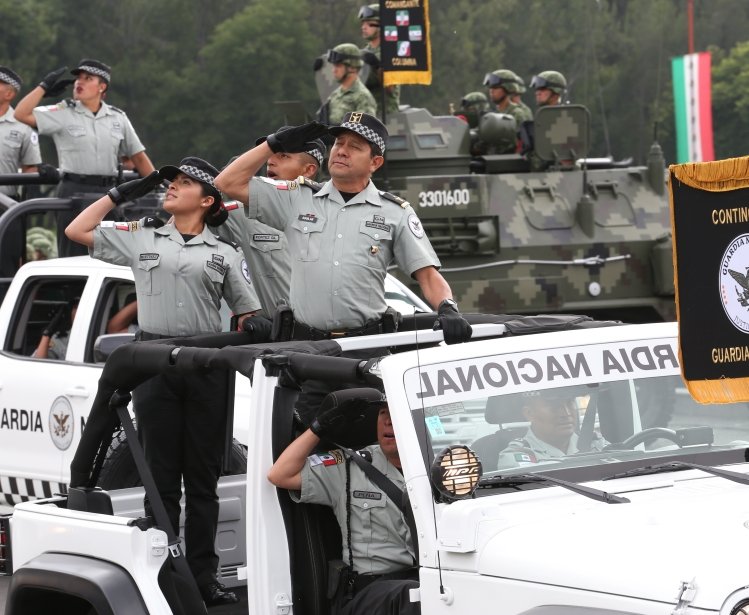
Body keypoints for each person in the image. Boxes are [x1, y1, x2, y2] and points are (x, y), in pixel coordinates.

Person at [65, 157, 262, 607]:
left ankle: (203, 576)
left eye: (184, 183)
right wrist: (125, 192)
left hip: (207, 365)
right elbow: (78, 230)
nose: (171, 187)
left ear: (207, 200)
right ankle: (166, 575)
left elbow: (247, 310)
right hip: (153, 362)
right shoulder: (142, 237)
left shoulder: (225, 253)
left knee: (203, 478)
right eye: (170, 181)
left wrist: (255, 325)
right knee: (160, 480)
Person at [216, 115, 472, 424]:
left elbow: (428, 275)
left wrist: (448, 307)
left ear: (375, 162)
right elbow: (227, 183)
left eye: (354, 146)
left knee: (368, 445)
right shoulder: (296, 198)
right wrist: (274, 143)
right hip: (308, 353)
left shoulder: (395, 213)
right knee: (303, 454)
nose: (341, 151)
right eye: (338, 143)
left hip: (364, 351)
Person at [267, 390, 420, 615]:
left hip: (424, 579)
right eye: (382, 413)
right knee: (413, 596)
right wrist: (319, 428)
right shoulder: (349, 466)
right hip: (369, 591)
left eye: (396, 412)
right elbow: (280, 474)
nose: (387, 421)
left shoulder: (443, 468)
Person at [15, 59, 156, 257]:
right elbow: (21, 114)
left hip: (108, 193)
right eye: (78, 79)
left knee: (110, 251)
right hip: (74, 190)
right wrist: (43, 88)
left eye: (87, 78)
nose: (78, 83)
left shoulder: (118, 117)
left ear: (102, 87)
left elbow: (139, 158)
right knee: (73, 254)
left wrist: (157, 184)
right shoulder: (63, 112)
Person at [214, 135, 326, 317]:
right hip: (269, 334)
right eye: (270, 155)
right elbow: (187, 230)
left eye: (283, 156)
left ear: (308, 170)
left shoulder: (331, 211)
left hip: (325, 333)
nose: (270, 161)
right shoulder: (241, 214)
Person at [498, 390, 606, 467]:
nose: (566, 413)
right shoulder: (515, 455)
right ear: (529, 413)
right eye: (555, 406)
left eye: (570, 403)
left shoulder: (595, 444)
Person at [0, 66, 41, 199]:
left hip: (5, 205)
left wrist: (29, 200)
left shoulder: (23, 127)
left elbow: (30, 168)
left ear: (9, 94)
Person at [358, 3, 400, 119]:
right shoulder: (363, 53)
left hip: (387, 115)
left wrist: (377, 66)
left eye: (369, 23)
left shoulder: (391, 51)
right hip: (366, 113)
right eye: (362, 23)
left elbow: (390, 88)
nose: (364, 27)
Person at [319, 44, 377, 125]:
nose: (334, 70)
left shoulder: (363, 97)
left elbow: (363, 132)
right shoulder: (335, 95)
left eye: (338, 66)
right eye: (334, 66)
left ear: (352, 67)